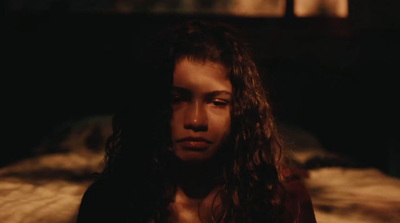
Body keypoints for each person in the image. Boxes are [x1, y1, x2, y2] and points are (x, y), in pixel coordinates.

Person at [76, 19, 317, 223]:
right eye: (176, 99)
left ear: (241, 112)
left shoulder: (281, 200)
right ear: (151, 104)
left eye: (217, 102)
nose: (195, 120)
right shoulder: (110, 202)